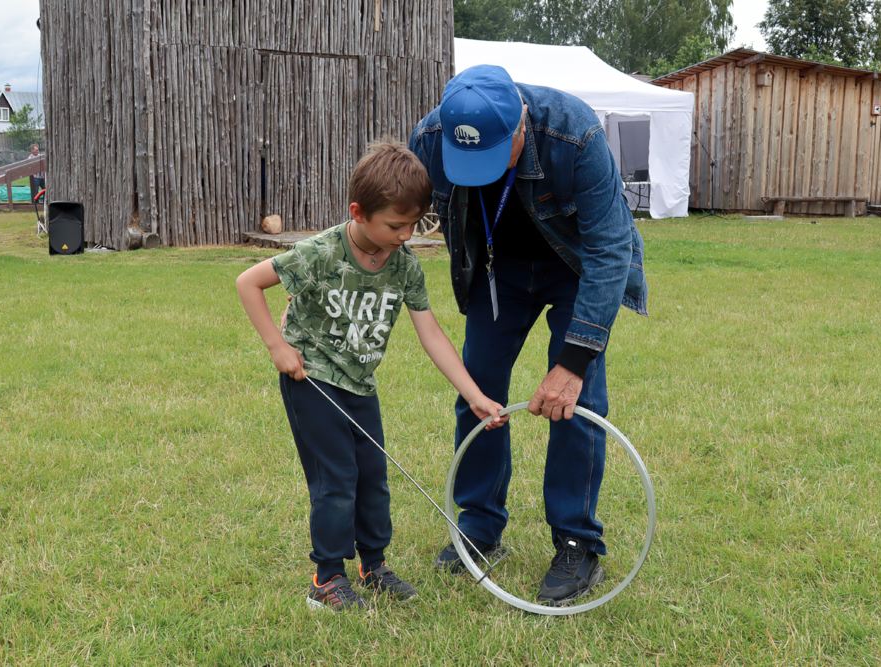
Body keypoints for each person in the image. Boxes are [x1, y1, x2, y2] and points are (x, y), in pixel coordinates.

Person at [409, 65, 648, 605]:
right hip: (499, 271)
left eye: (495, 155)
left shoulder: (575, 133)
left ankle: (575, 540)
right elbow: (383, 211)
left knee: (575, 399)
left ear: (521, 122)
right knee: (477, 390)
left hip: (576, 266)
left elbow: (611, 249)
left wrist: (574, 359)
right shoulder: (428, 139)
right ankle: (480, 526)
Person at [236, 142, 507, 611]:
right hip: (313, 380)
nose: (405, 236)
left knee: (373, 479)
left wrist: (475, 395)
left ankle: (373, 564)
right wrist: (278, 348)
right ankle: (326, 579)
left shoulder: (404, 267)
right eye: (395, 226)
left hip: (360, 384)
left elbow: (432, 336)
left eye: (413, 225)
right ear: (358, 212)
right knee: (336, 478)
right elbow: (249, 282)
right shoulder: (320, 252)